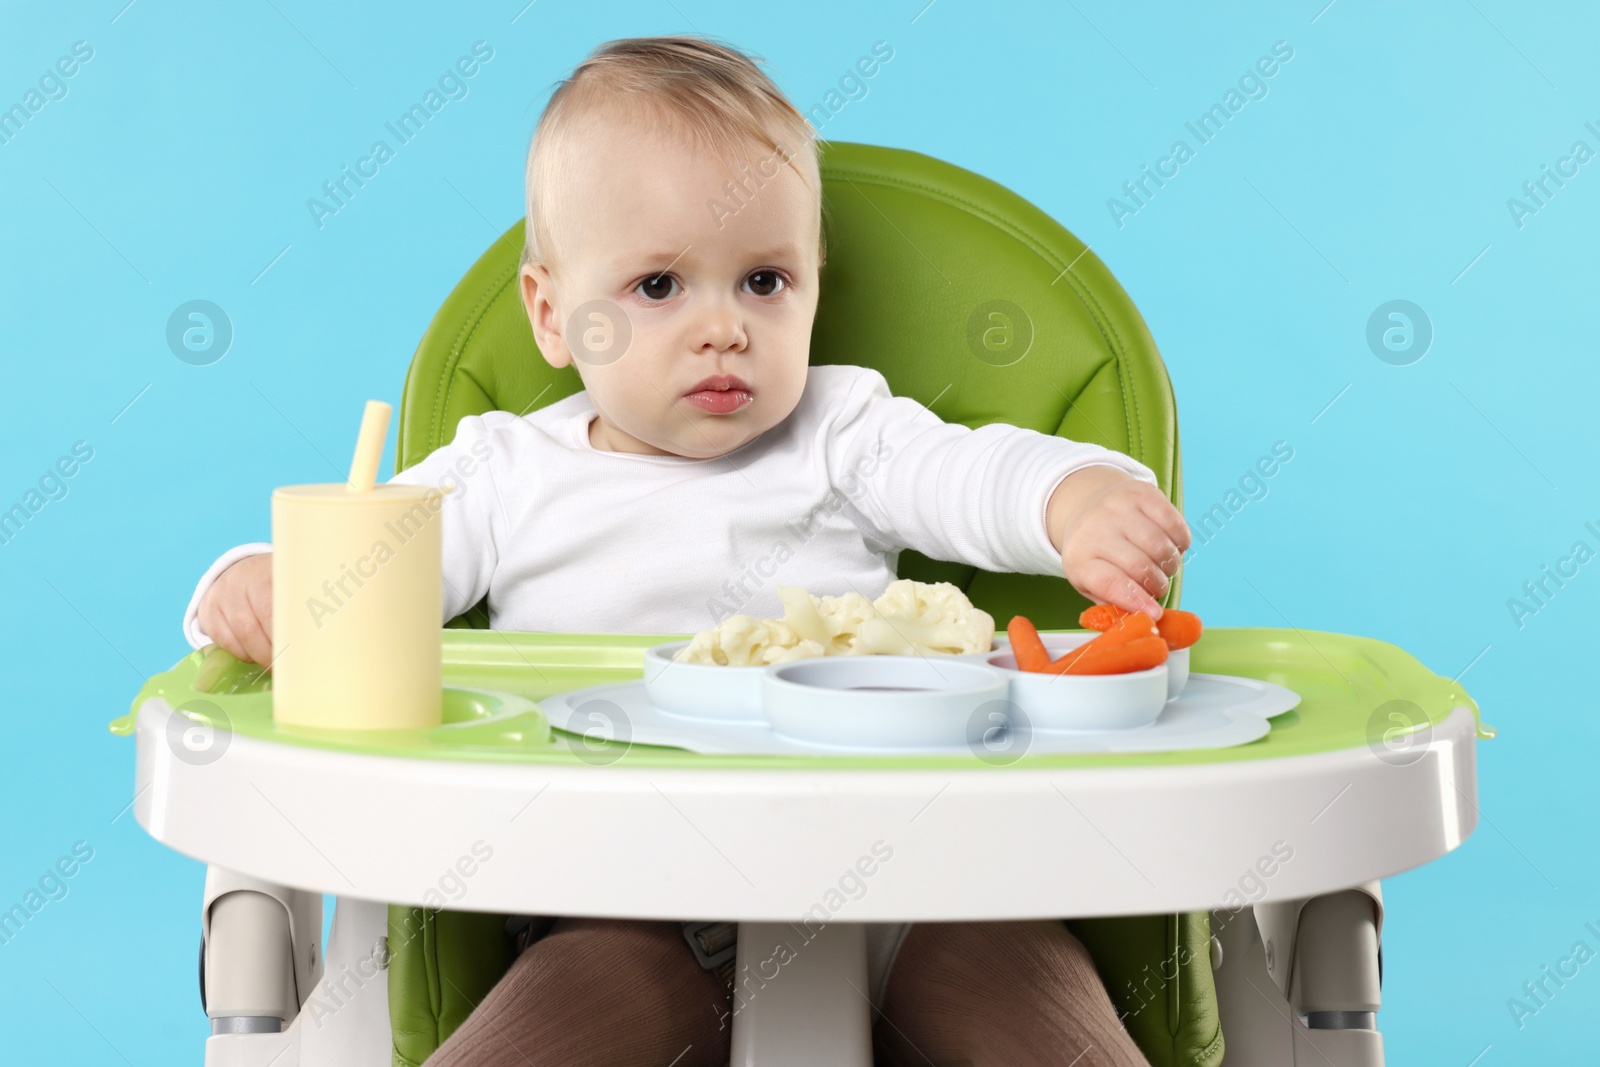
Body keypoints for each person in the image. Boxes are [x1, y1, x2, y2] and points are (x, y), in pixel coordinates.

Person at [185, 35, 1189, 1067]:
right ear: (551, 314)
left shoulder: (844, 430)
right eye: (659, 286)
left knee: (1007, 964)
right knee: (587, 998)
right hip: (612, 904)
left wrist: (1075, 500)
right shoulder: (499, 473)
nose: (723, 327)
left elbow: (971, 473)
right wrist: (251, 587)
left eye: (763, 280)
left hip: (901, 887)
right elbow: (354, 578)